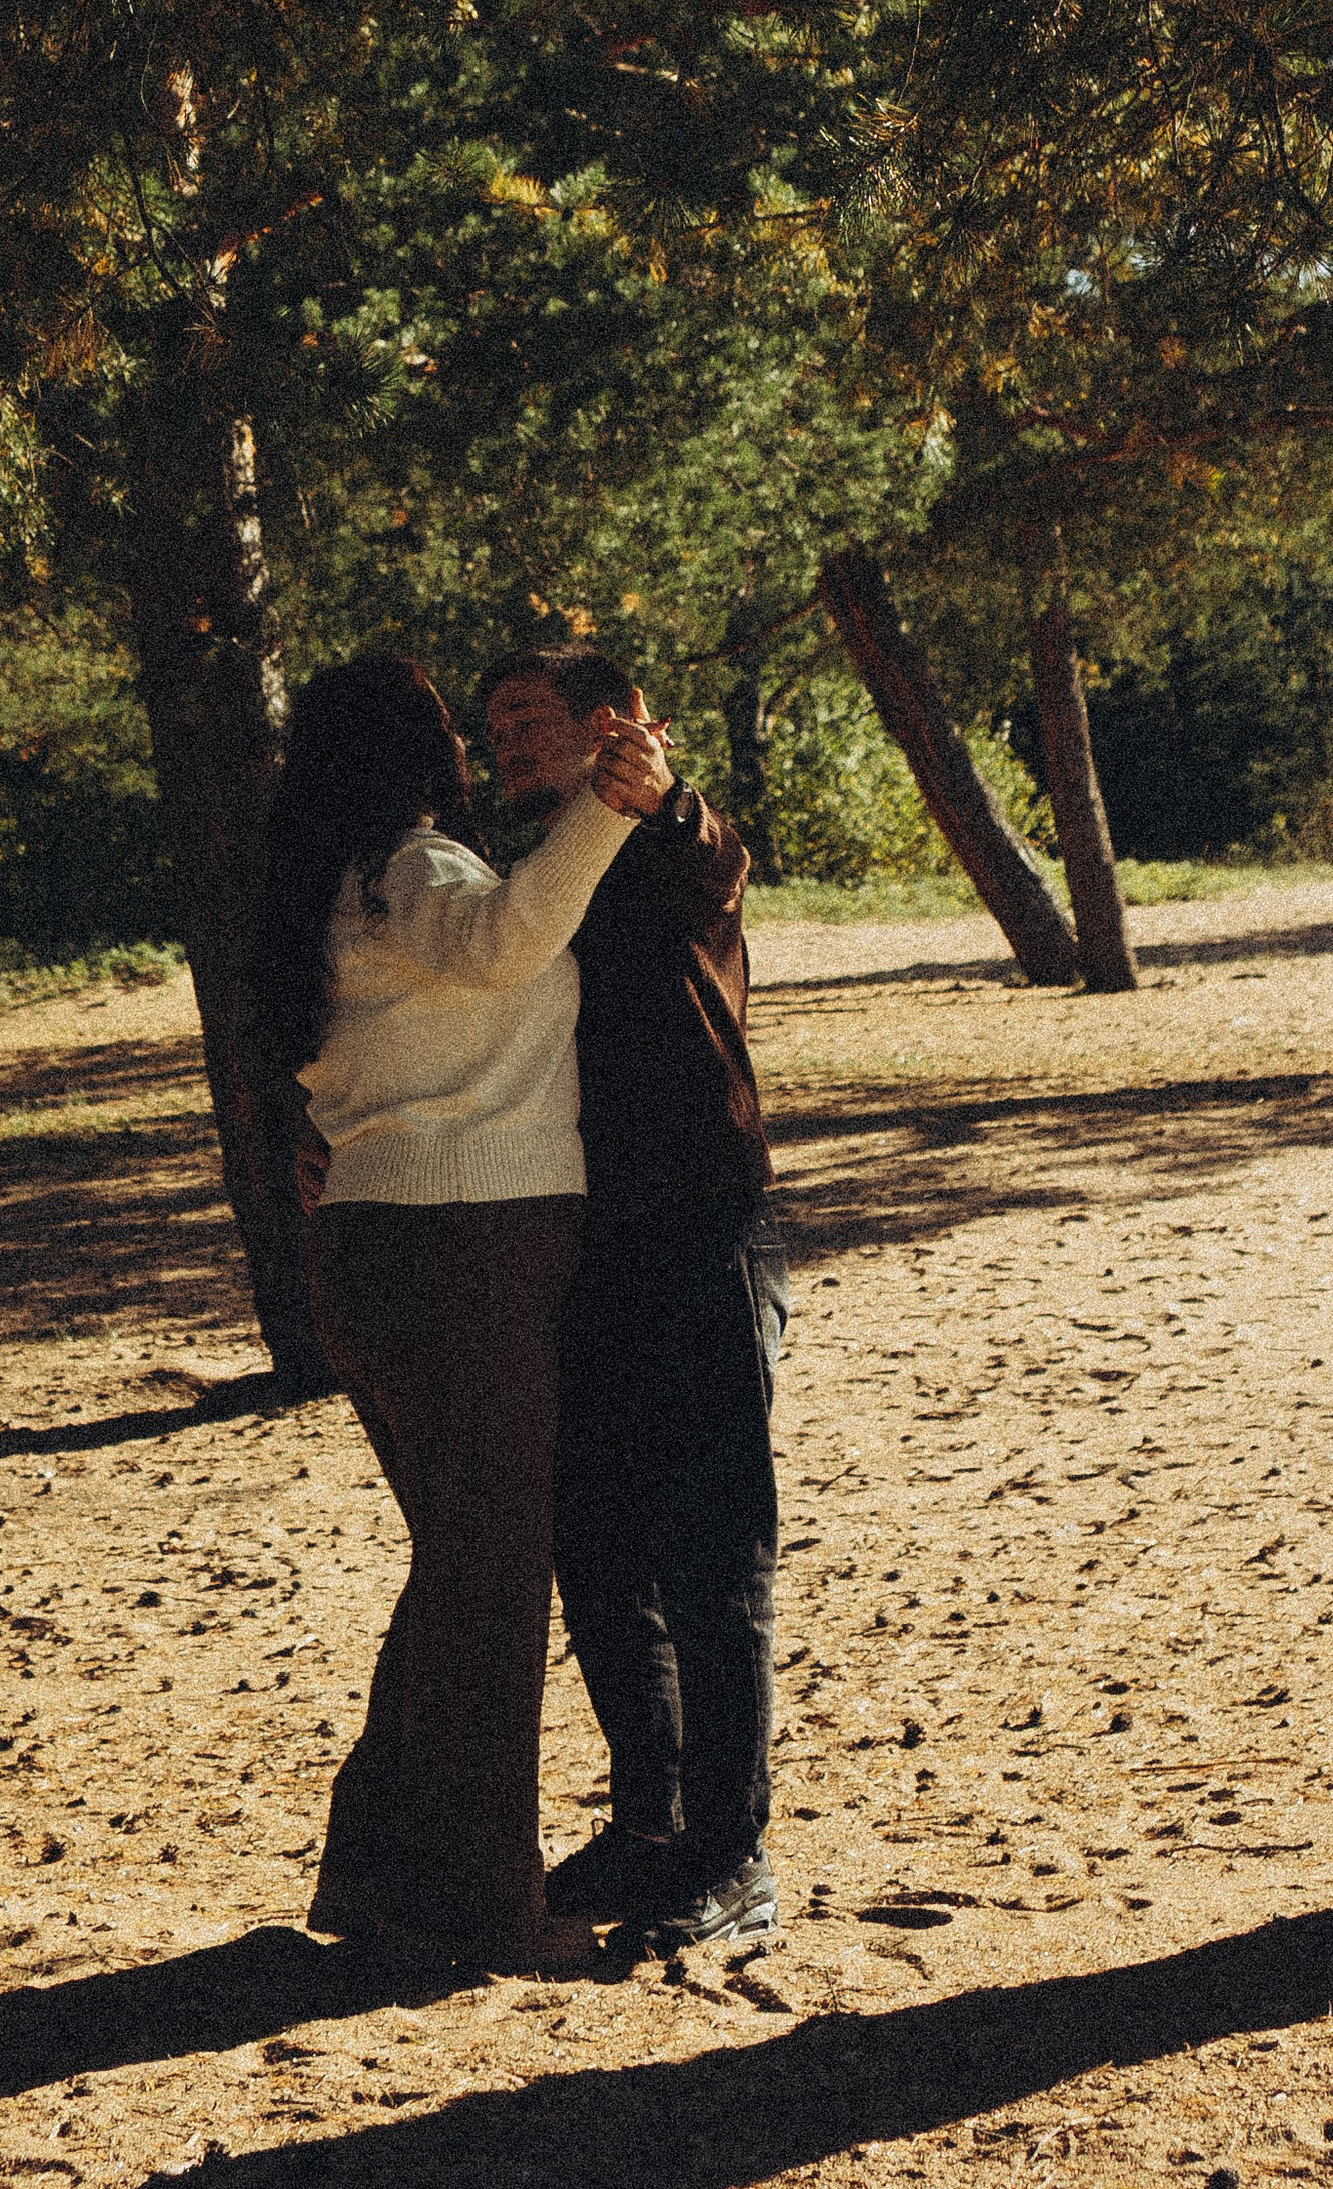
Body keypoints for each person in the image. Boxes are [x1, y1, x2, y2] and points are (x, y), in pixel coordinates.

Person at [257, 650, 670, 1971]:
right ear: (412, 752)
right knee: (490, 1591)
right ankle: (484, 1909)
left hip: (377, 1250)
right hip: (465, 1252)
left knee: (457, 1581)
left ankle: (382, 1876)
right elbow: (508, 941)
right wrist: (607, 807)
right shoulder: (421, 868)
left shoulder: (323, 890)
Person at [478, 647, 787, 1951]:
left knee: (714, 1560)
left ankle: (734, 1856)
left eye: (526, 721)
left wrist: (661, 795)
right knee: (598, 1547)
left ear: (614, 724)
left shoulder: (665, 836)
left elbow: (714, 860)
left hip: (702, 1227)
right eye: (489, 725)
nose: (502, 743)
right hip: (577, 1241)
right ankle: (648, 1823)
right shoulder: (513, 869)